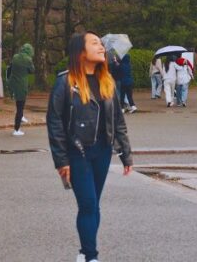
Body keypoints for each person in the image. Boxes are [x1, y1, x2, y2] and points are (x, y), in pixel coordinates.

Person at [47, 32, 133, 262]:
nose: (101, 47)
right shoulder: (66, 82)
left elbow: (118, 121)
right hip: (78, 152)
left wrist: (126, 154)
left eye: (101, 43)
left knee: (94, 205)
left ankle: (85, 253)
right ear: (81, 52)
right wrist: (61, 160)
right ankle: (91, 257)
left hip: (102, 152)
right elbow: (54, 121)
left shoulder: (108, 82)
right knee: (87, 204)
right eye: (94, 43)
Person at [7, 43, 35, 136]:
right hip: (22, 85)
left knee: (18, 104)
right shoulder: (28, 60)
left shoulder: (15, 57)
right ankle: (17, 129)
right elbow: (32, 70)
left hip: (13, 84)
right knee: (20, 107)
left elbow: (10, 68)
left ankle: (21, 116)